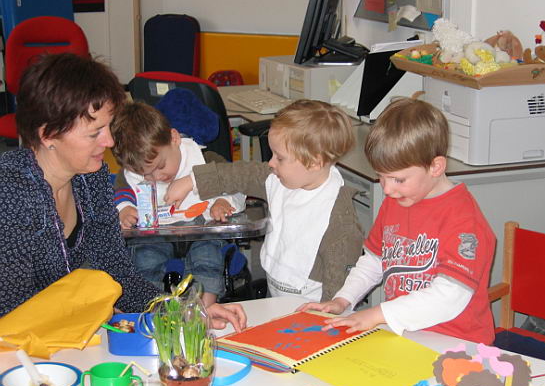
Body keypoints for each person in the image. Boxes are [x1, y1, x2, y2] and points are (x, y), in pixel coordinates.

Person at [0, 53, 246, 332]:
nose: (109, 141)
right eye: (95, 133)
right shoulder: (10, 193)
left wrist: (184, 312)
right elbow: (12, 312)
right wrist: (91, 313)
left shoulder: (91, 179)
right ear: (48, 135)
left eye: (108, 127)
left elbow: (120, 276)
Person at [300, 97, 496, 345]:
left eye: (398, 179)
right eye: (381, 176)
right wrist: (343, 299)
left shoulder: (464, 220)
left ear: (436, 167)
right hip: (407, 336)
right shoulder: (397, 200)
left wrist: (377, 314)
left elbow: (449, 296)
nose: (387, 189)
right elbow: (374, 261)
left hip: (457, 343)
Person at [164, 100, 364, 302]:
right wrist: (192, 181)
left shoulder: (337, 216)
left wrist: (328, 316)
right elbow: (240, 174)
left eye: (280, 158)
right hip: (276, 292)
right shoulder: (278, 178)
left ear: (314, 162)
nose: (271, 162)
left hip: (313, 305)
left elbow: (338, 283)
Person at [111, 101, 246, 306]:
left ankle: (206, 306)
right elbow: (120, 190)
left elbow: (238, 186)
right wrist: (125, 208)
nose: (156, 177)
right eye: (146, 175)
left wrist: (222, 201)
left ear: (174, 138)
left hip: (201, 231)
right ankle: (151, 306)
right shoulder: (134, 171)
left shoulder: (206, 160)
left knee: (207, 256)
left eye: (161, 166)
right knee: (144, 258)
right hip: (156, 234)